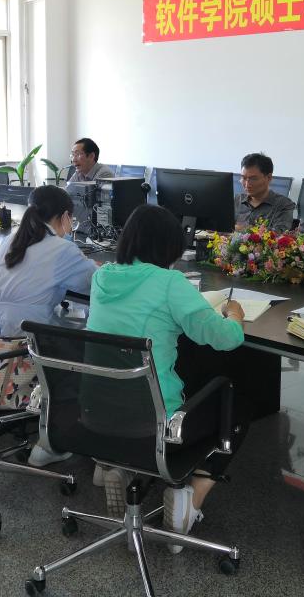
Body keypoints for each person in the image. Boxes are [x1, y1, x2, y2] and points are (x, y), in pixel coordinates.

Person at [87, 204, 246, 552]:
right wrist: (235, 315)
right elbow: (225, 339)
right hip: (155, 419)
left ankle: (118, 464)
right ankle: (189, 499)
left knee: (160, 370)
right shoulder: (170, 282)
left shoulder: (102, 276)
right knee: (236, 407)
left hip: (96, 409)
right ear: (169, 246)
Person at [0, 185, 99, 467]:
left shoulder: (10, 240)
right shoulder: (62, 249)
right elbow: (97, 283)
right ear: (64, 216)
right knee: (92, 346)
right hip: (29, 348)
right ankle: (52, 441)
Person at [234, 152, 296, 231]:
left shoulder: (283, 204)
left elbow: (280, 232)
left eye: (253, 179)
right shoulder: (237, 200)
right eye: (244, 178)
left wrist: (241, 229)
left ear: (269, 178)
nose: (247, 184)